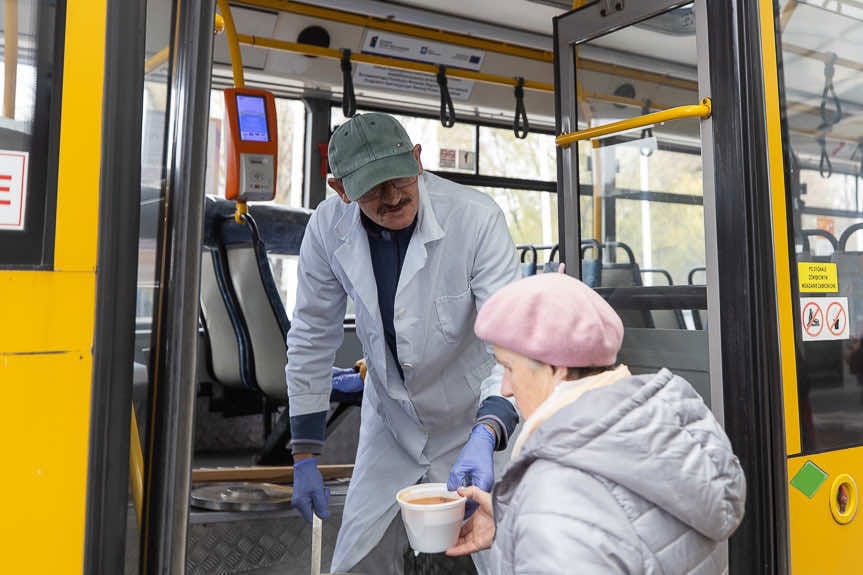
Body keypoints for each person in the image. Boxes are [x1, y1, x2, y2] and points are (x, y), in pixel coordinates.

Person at [285, 112, 521, 573]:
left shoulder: (475, 219)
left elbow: (509, 345)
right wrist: (305, 452)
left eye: (398, 179)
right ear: (341, 190)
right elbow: (312, 335)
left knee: (504, 557)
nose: (392, 198)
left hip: (474, 419)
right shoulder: (327, 230)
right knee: (359, 558)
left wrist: (487, 430)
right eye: (374, 189)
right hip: (392, 423)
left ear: (416, 160)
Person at [447, 272, 747, 574]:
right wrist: (511, 519)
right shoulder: (671, 431)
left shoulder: (555, 495)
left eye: (509, 368)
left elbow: (577, 524)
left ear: (556, 368)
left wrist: (538, 517)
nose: (505, 389)